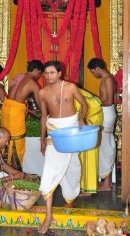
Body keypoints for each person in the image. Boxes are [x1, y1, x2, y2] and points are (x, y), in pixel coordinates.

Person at [38, 60, 88, 234]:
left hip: (72, 131)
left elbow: (85, 105)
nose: (48, 75)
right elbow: (44, 116)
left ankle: (71, 197)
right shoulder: (42, 92)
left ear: (60, 73)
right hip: (54, 134)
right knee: (49, 172)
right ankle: (48, 215)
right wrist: (42, 138)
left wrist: (82, 118)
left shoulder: (71, 87)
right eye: (46, 73)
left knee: (73, 169)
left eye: (51, 72)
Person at [1, 59, 44, 170]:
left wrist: (29, 111)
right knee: (16, 141)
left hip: (6, 110)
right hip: (15, 115)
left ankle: (5, 170)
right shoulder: (33, 84)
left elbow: (14, 100)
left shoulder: (19, 77)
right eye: (39, 73)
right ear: (35, 70)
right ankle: (15, 173)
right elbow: (40, 104)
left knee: (6, 139)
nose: (39, 76)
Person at [87, 58, 117, 191]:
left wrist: (93, 104)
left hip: (107, 114)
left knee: (106, 147)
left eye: (93, 71)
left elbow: (109, 101)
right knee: (104, 147)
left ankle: (107, 183)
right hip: (104, 114)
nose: (93, 74)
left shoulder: (108, 79)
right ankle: (106, 181)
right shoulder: (105, 79)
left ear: (98, 68)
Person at [75, 88, 103, 196]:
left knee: (89, 157)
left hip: (90, 123)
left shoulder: (70, 92)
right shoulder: (72, 91)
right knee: (82, 157)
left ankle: (88, 189)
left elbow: (84, 108)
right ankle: (83, 187)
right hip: (89, 122)